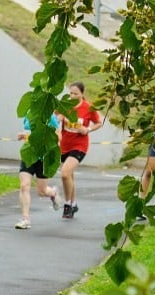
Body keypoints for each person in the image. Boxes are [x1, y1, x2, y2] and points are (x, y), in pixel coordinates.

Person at [57, 81, 103, 219]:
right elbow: (56, 118)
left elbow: (99, 123)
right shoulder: (65, 105)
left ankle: (67, 204)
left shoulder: (88, 108)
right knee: (69, 175)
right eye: (70, 93)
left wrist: (87, 129)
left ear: (82, 94)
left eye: (75, 94)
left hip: (80, 145)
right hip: (65, 145)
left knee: (65, 174)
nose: (72, 96)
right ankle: (74, 203)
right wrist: (56, 121)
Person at [15, 113, 62, 229]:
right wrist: (23, 135)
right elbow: (28, 132)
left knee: (42, 191)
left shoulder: (50, 117)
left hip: (44, 158)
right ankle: (25, 219)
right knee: (24, 186)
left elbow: (58, 137)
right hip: (29, 155)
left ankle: (53, 193)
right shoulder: (27, 114)